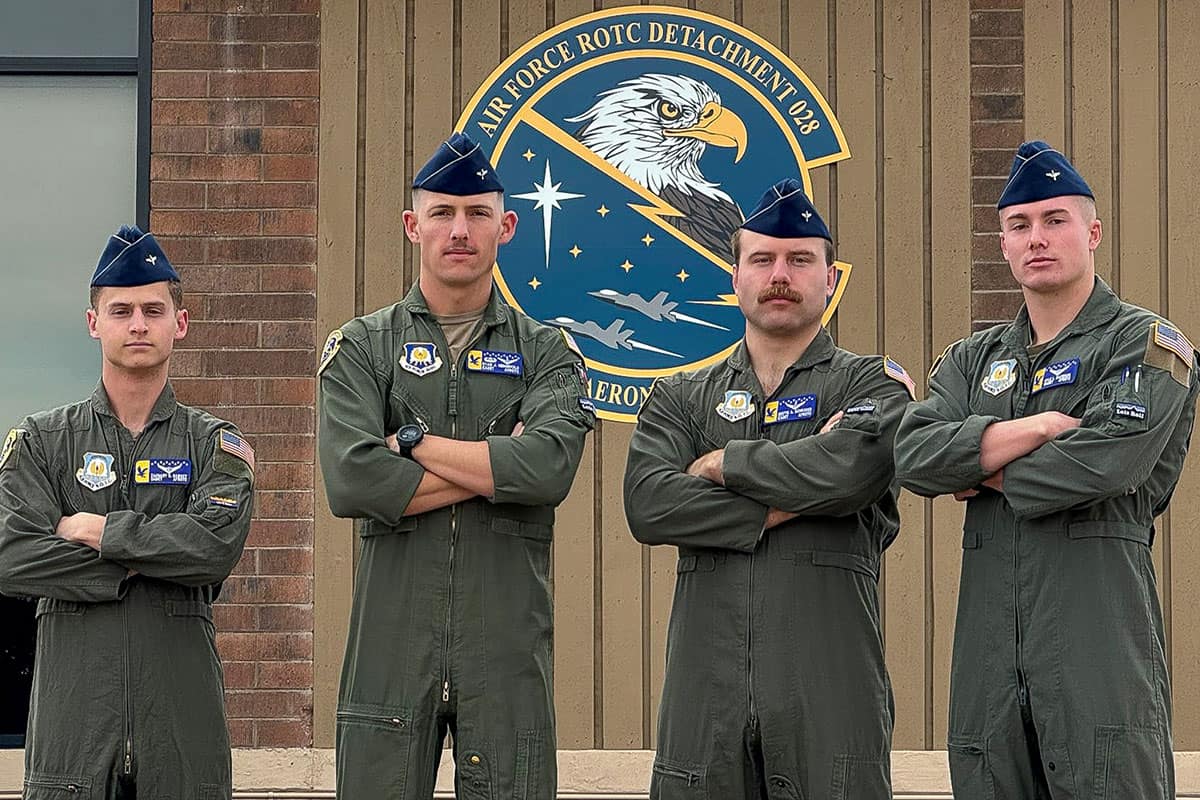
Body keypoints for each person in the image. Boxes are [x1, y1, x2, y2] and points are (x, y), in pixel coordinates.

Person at [895, 141, 1198, 799]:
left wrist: (977, 464)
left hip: (1098, 646)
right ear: (1003, 244)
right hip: (988, 657)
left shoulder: (1143, 342)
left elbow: (1108, 461)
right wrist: (1033, 429)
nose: (1037, 238)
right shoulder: (971, 359)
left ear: (1091, 233)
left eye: (1055, 220)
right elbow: (915, 456)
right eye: (1019, 225)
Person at [318, 131, 596, 799]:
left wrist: (408, 443)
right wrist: (496, 467)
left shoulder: (549, 353)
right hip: (390, 643)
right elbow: (352, 479)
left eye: (476, 214)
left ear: (506, 225)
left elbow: (547, 471)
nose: (459, 230)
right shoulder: (363, 346)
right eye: (442, 213)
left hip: (504, 646)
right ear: (414, 226)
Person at [623, 179, 911, 799]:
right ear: (735, 276)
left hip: (829, 691)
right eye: (762, 259)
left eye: (800, 259)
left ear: (830, 278)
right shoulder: (680, 397)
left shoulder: (875, 387)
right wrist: (800, 491)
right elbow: (649, 506)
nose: (780, 273)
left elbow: (849, 473)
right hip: (706, 697)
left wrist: (721, 462)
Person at [0, 225, 255, 799]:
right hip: (74, 729)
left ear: (179, 323)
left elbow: (213, 549)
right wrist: (141, 562)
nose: (137, 323)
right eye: (120, 310)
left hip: (181, 735)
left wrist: (97, 529)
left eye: (152, 309)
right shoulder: (43, 441)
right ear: (94, 323)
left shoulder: (213, 442)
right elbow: (12, 556)